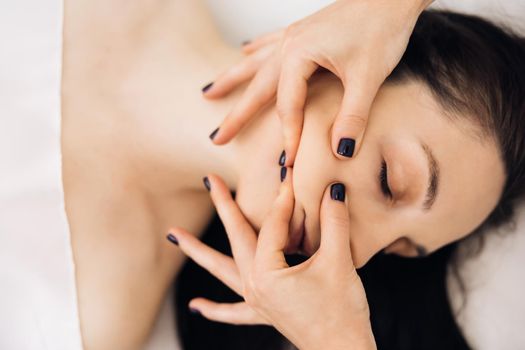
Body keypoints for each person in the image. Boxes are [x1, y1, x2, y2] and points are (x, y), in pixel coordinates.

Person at [168, 8, 525, 350]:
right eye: (389, 181)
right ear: (345, 61)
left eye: (393, 249)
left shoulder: (114, 309)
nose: (359, 254)